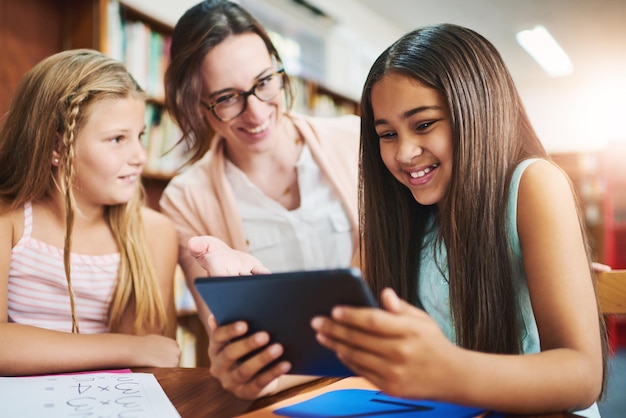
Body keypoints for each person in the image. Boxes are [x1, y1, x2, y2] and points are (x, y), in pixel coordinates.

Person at [201, 24, 609, 417]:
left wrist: (445, 369)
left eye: (424, 125)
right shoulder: (400, 211)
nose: (404, 153)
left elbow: (582, 375)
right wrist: (266, 373)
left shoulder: (535, 183)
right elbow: (354, 343)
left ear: (477, 112)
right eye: (387, 134)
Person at [159, 0, 361, 336]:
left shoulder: (353, 139)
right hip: (283, 379)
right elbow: (227, 337)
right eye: (227, 98)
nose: (255, 113)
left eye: (265, 81)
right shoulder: (185, 200)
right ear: (198, 106)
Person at [0, 49, 181, 376]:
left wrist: (142, 349)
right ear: (58, 148)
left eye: (138, 136)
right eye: (117, 139)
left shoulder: (154, 232)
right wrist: (129, 348)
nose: (140, 156)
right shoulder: (9, 220)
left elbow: (159, 360)